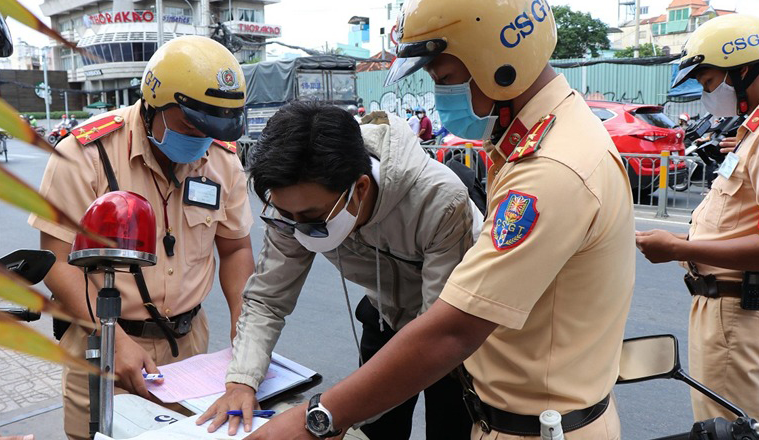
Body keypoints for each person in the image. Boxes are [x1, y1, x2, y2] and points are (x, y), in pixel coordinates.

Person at [248, 0, 635, 438]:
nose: (440, 95)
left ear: (499, 64)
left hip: (536, 427)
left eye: (445, 78)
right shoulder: (540, 139)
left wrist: (319, 418)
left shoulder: (550, 170)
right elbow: (269, 294)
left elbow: (451, 331)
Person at [197, 100, 483, 439]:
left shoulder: (439, 201)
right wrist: (241, 381)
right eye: (288, 216)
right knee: (377, 429)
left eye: (313, 219)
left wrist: (325, 414)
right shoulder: (294, 209)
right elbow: (267, 300)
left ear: (359, 189)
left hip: (453, 329)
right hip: (384, 315)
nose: (298, 228)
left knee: (450, 426)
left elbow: (437, 338)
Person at [29, 35, 255, 440]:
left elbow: (236, 248)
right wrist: (110, 334)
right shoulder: (85, 155)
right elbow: (55, 261)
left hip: (188, 350)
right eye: (190, 125)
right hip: (101, 344)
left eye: (213, 129)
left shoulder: (222, 161)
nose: (201, 138)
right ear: (153, 103)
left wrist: (246, 340)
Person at [636, 14, 759, 423]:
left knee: (730, 429)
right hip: (733, 303)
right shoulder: (757, 130)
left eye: (712, 82)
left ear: (743, 70)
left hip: (736, 311)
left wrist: (680, 248)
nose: (708, 94)